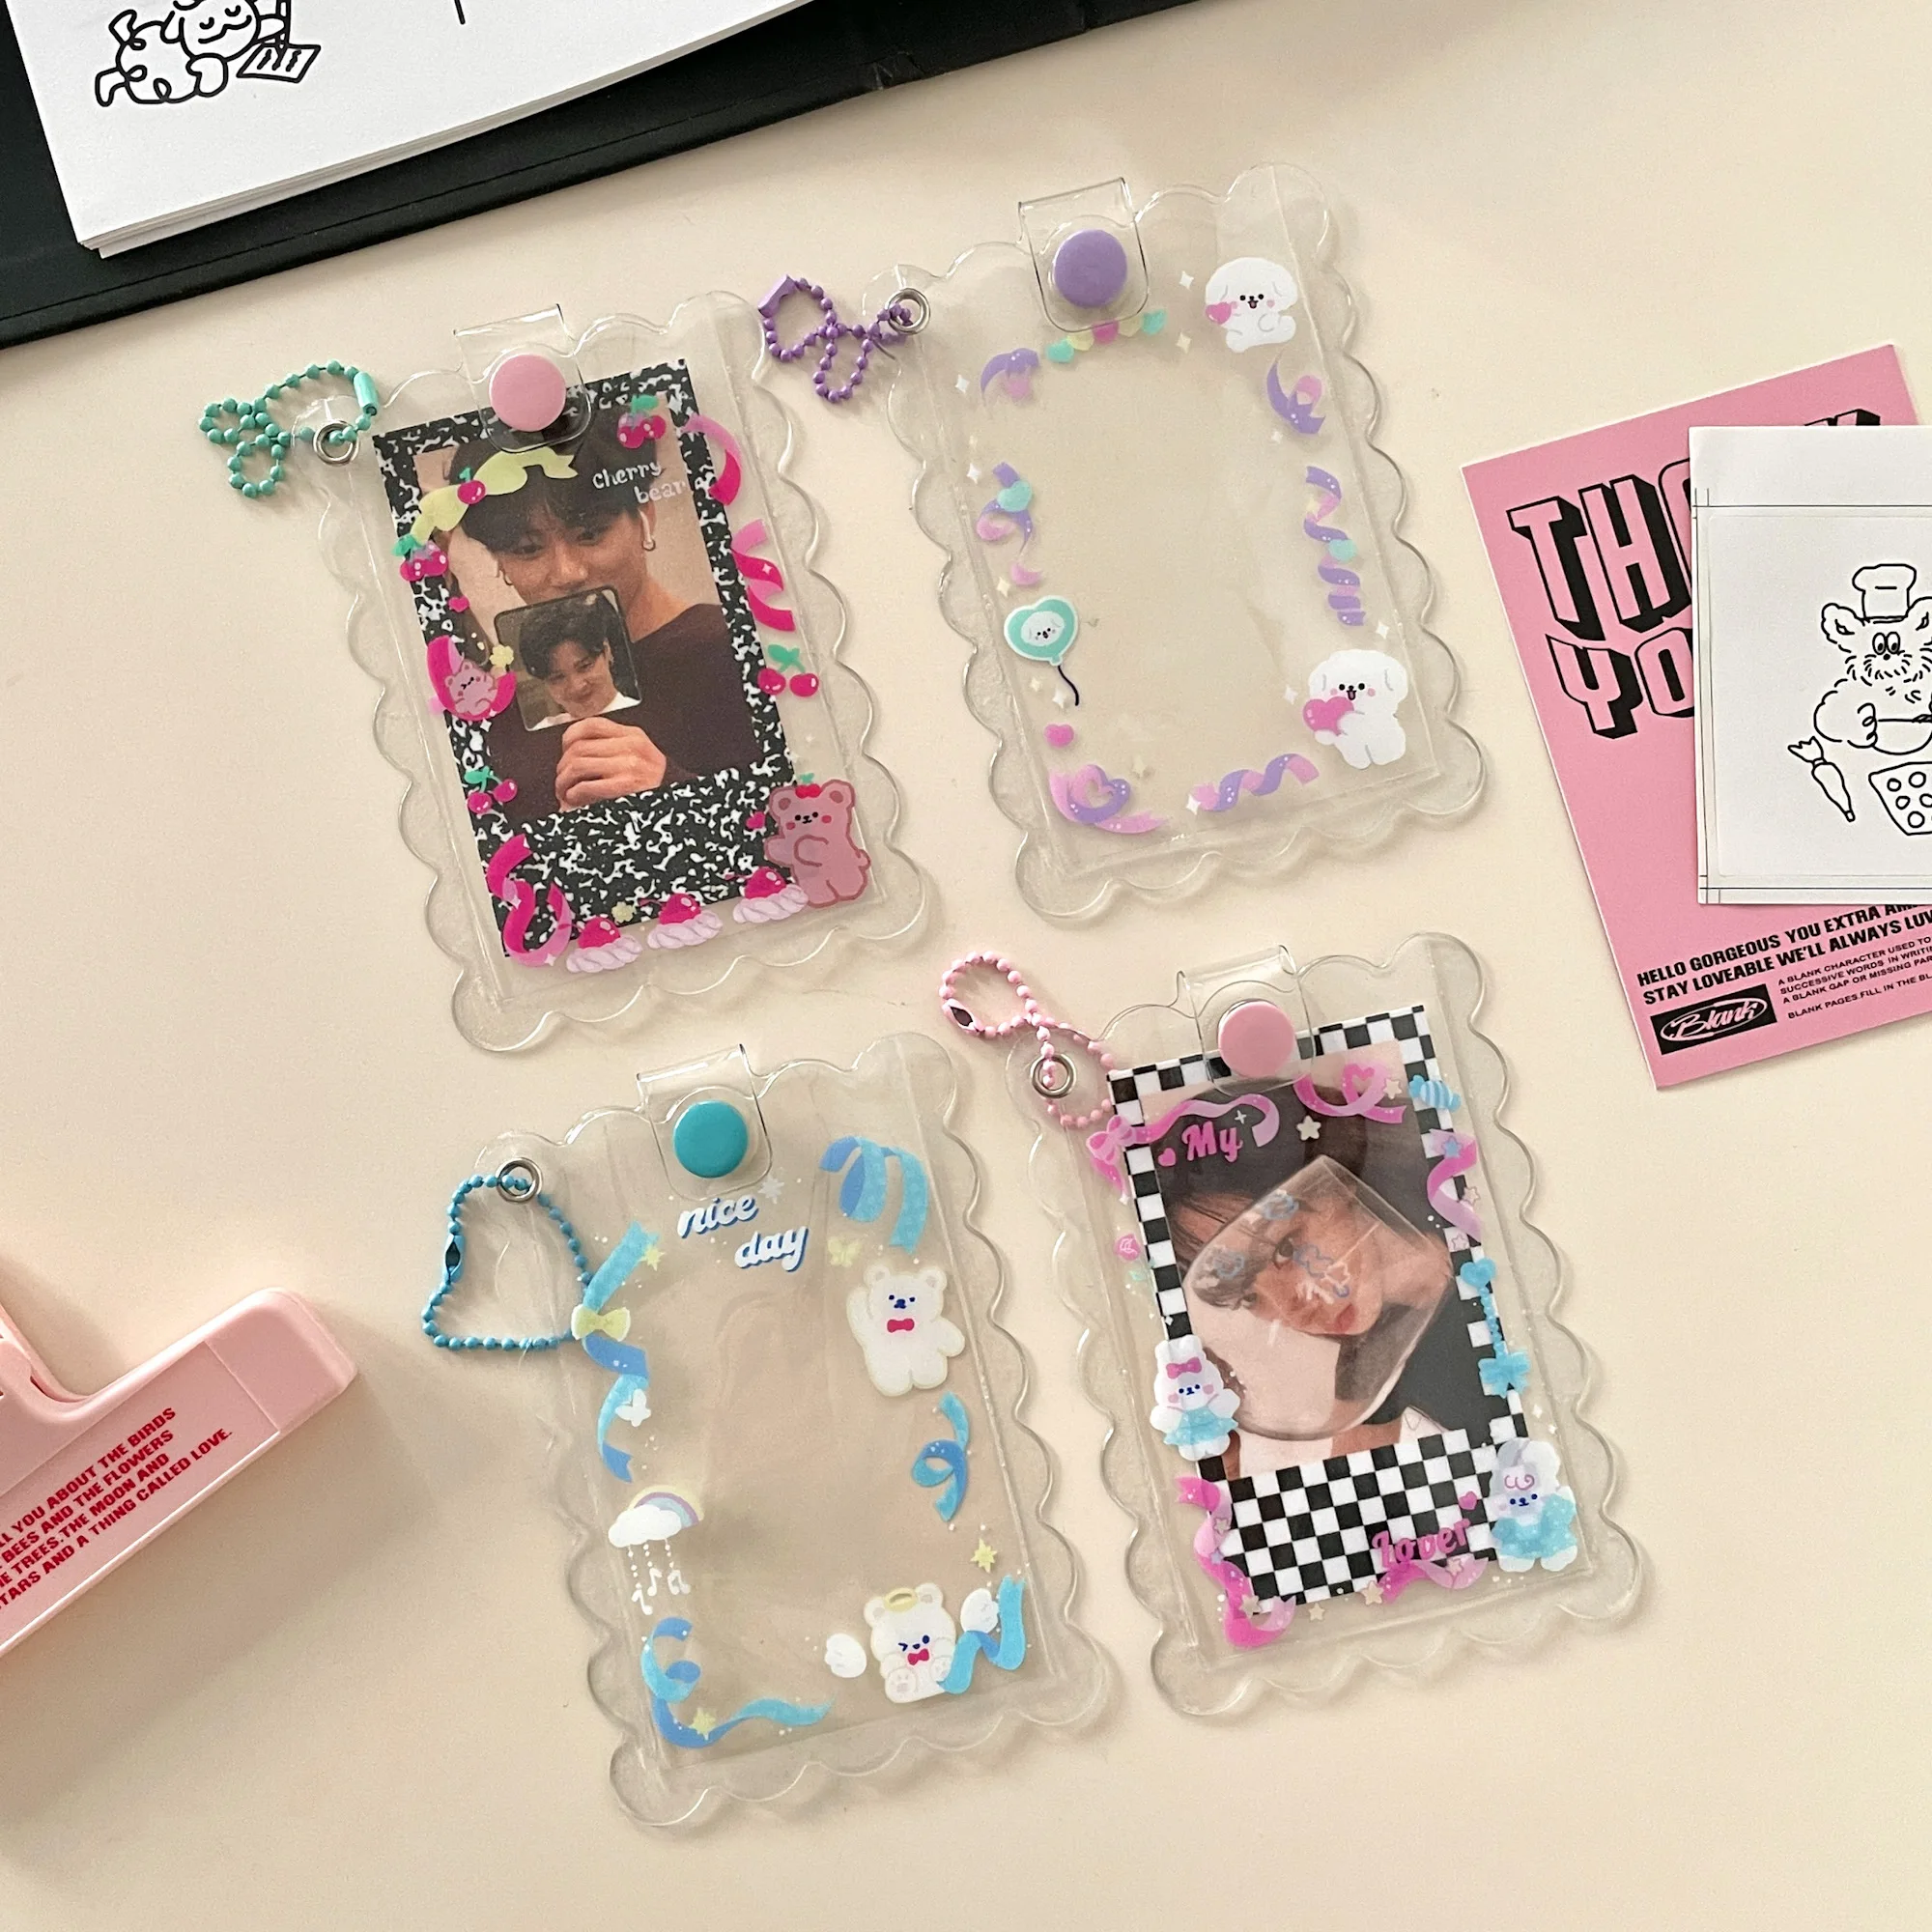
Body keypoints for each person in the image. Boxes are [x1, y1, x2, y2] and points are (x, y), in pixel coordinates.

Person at [431, 409, 764, 823]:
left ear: (645, 516)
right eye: (527, 549)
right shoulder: (500, 723)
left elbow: (803, 827)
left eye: (590, 533)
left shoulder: (736, 648)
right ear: (500, 560)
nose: (568, 573)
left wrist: (671, 787)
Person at [1158, 1077, 1495, 1478]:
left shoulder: (1491, 1226)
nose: (1290, 1310)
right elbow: (1353, 1493)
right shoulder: (1368, 1375)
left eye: (1284, 1249)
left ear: (1338, 1175)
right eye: (1248, 1297)